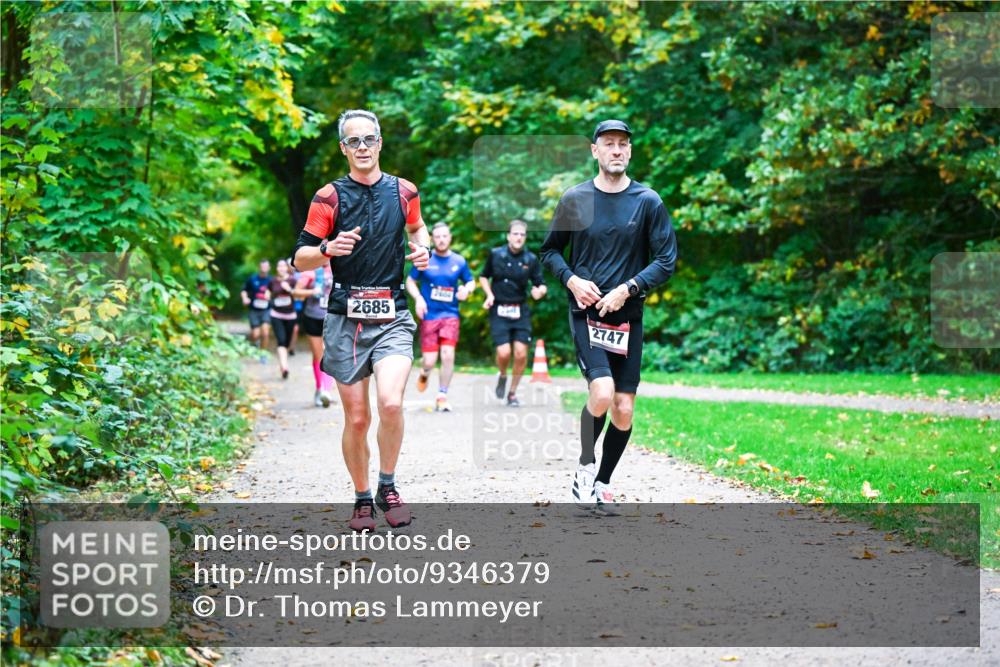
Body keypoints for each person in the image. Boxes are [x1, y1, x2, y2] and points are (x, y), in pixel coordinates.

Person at [292, 109, 431, 532]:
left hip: (392, 314)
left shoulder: (404, 191)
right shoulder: (328, 197)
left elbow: (418, 228)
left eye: (369, 139)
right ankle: (361, 498)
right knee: (356, 418)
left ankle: (388, 487)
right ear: (343, 148)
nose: (363, 147)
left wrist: (421, 249)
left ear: (381, 142)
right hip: (344, 318)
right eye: (354, 141)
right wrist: (329, 249)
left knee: (390, 402)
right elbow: (300, 259)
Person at [540, 119, 677, 514]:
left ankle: (602, 483)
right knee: (600, 392)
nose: (616, 150)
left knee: (624, 407)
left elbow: (666, 260)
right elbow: (549, 252)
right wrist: (572, 281)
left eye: (622, 145)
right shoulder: (575, 199)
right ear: (594, 151)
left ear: (629, 151)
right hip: (587, 314)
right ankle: (584, 466)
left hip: (627, 317)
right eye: (608, 144)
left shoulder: (647, 201)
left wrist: (628, 288)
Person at [405, 222, 475, 412]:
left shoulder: (459, 261)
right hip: (430, 315)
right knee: (429, 360)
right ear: (432, 239)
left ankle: (442, 395)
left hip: (450, 315)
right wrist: (419, 298)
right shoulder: (425, 259)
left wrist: (466, 290)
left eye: (445, 236)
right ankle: (425, 372)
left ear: (450, 238)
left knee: (447, 354)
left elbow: (470, 281)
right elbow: (410, 280)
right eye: (437, 236)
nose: (441, 240)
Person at [479, 220, 547, 407]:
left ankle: (512, 393)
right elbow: (484, 276)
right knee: (504, 353)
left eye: (522, 235)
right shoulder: (496, 254)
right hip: (499, 308)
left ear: (525, 238)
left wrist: (539, 291)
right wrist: (489, 294)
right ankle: (502, 374)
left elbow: (541, 284)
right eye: (515, 234)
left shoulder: (530, 260)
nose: (518, 237)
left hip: (520, 310)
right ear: (508, 236)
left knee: (521, 354)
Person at [293, 263, 335, 407]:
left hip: (333, 317)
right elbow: (296, 292)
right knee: (319, 355)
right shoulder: (311, 273)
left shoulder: (338, 269)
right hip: (313, 317)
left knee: (330, 354)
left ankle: (326, 391)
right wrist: (312, 292)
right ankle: (320, 388)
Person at [268, 258, 298, 379]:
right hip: (276, 314)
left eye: (283, 266)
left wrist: (289, 289)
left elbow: (299, 296)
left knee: (286, 342)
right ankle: (284, 367)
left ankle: (284, 364)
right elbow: (268, 293)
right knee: (281, 341)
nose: (281, 268)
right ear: (277, 269)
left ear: (287, 268)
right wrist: (266, 296)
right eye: (279, 266)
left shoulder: (293, 280)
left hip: (290, 315)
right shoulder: (273, 281)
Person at [240, 259, 271, 358]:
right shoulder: (252, 279)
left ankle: (263, 354)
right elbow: (244, 290)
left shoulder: (272, 280)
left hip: (266, 309)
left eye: (266, 267)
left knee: (265, 332)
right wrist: (245, 298)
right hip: (254, 310)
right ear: (259, 267)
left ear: (269, 268)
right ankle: (255, 343)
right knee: (255, 334)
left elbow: (278, 292)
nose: (264, 269)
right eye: (262, 267)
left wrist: (271, 295)